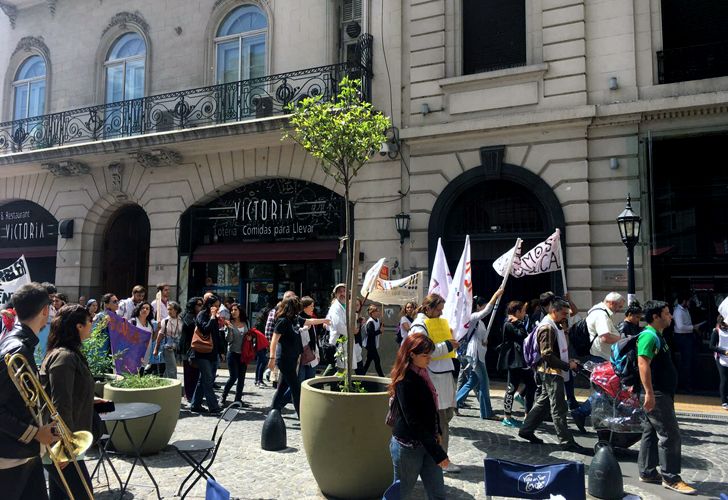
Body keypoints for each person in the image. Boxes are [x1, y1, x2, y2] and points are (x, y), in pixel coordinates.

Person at [0, 282, 59, 500]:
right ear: (45, 310)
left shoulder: (19, 343)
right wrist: (35, 433)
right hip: (11, 455)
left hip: (25, 452)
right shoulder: (16, 349)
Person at [637, 300, 697, 495]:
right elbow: (643, 364)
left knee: (650, 432)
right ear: (655, 317)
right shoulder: (649, 336)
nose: (670, 316)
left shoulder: (657, 335)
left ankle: (647, 471)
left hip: (659, 393)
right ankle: (670, 477)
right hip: (657, 393)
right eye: (667, 313)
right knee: (670, 435)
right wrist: (649, 393)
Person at [518, 297, 589, 454]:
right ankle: (566, 442)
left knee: (544, 402)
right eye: (564, 313)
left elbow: (553, 352)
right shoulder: (547, 328)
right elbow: (547, 354)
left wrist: (568, 361)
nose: (566, 316)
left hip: (551, 370)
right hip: (550, 372)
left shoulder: (553, 325)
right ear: (553, 311)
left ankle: (526, 429)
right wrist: (566, 365)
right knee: (559, 408)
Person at [40, 304, 95, 500]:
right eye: (90, 321)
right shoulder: (64, 356)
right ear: (79, 326)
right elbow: (60, 403)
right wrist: (64, 446)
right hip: (63, 445)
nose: (92, 325)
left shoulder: (66, 354)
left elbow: (70, 392)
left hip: (65, 442)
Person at [388, 333, 448, 500]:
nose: (429, 358)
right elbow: (413, 421)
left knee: (438, 494)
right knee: (400, 495)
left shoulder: (423, 373)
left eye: (430, 354)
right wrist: (438, 452)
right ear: (411, 354)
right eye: (425, 355)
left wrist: (438, 432)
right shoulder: (405, 380)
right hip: (408, 447)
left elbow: (431, 409)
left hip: (428, 443)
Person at [409, 294, 461, 473]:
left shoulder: (433, 323)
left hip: (443, 377)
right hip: (434, 380)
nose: (440, 313)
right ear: (428, 308)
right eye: (438, 310)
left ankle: (437, 457)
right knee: (439, 422)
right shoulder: (419, 326)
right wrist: (448, 345)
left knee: (445, 418)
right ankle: (441, 459)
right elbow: (423, 350)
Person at [571, 292, 625, 432]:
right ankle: (582, 412)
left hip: (600, 356)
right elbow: (605, 337)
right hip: (600, 357)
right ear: (611, 303)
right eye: (619, 306)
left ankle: (594, 416)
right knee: (605, 391)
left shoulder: (597, 312)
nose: (619, 309)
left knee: (605, 390)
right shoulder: (601, 315)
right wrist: (623, 339)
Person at [268, 297, 329, 416]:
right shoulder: (283, 321)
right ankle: (302, 417)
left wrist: (325, 320)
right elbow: (274, 340)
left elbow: (309, 321)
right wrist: (272, 358)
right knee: (296, 389)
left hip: (293, 358)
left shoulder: (294, 319)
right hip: (284, 359)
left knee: (281, 388)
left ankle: (274, 412)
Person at [455, 289, 504, 421]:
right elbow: (487, 310)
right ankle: (487, 413)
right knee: (484, 383)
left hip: (478, 354)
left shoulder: (479, 322)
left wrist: (485, 341)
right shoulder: (472, 317)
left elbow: (480, 337)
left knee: (473, 381)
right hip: (474, 356)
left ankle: (454, 402)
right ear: (478, 306)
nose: (484, 307)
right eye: (483, 304)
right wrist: (496, 295)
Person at [498, 300, 537, 426]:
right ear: (517, 312)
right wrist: (520, 324)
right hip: (514, 361)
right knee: (511, 388)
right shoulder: (509, 324)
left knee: (531, 384)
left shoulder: (514, 322)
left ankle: (527, 415)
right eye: (523, 311)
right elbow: (523, 335)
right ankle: (507, 417)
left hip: (520, 360)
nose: (525, 314)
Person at [191, 295, 223, 414]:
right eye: (216, 306)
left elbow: (216, 336)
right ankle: (213, 407)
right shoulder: (202, 315)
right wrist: (213, 317)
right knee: (208, 380)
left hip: (212, 352)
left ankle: (195, 405)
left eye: (219, 306)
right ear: (210, 305)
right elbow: (205, 329)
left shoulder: (214, 317)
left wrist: (221, 351)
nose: (218, 308)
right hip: (201, 353)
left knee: (203, 380)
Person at [323, 284, 362, 376]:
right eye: (339, 292)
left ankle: (328, 385)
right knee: (339, 368)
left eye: (344, 291)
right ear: (335, 294)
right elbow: (339, 326)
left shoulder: (346, 306)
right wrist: (351, 331)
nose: (342, 293)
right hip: (340, 341)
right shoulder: (335, 307)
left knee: (343, 368)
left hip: (346, 341)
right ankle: (324, 384)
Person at [673, 292, 701, 392]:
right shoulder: (678, 312)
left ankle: (691, 383)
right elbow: (680, 327)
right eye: (688, 301)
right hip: (682, 337)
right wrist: (693, 327)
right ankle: (686, 385)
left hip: (688, 336)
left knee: (691, 360)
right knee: (686, 361)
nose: (689, 303)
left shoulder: (685, 310)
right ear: (684, 301)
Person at [222, 303, 248, 404]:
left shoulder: (246, 323)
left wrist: (250, 338)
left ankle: (238, 399)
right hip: (233, 353)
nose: (233, 312)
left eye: (235, 310)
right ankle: (223, 397)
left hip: (243, 354)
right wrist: (229, 329)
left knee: (241, 378)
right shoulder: (229, 323)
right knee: (233, 377)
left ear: (240, 311)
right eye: (232, 310)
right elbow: (229, 339)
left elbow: (249, 335)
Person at [180, 297, 203, 403]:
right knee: (189, 373)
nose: (201, 306)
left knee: (196, 373)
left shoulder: (199, 316)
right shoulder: (188, 316)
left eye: (202, 304)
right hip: (188, 348)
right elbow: (191, 327)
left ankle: (193, 394)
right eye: (198, 304)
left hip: (197, 348)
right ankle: (189, 395)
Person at [153, 301, 182, 379]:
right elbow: (160, 335)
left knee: (169, 367)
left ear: (176, 310)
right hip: (168, 346)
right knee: (172, 367)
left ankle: (165, 384)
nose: (169, 311)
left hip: (177, 345)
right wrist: (156, 348)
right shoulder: (165, 321)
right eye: (168, 309)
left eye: (171, 309)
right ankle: (174, 386)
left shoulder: (180, 320)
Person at [130, 302, 161, 376]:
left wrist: (158, 329)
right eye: (143, 308)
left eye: (147, 308)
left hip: (145, 357)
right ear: (138, 309)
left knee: (140, 376)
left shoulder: (150, 324)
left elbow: (152, 339)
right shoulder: (133, 322)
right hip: (133, 357)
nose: (145, 310)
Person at [709, 315, 728, 410]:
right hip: (721, 358)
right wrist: (724, 351)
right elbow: (711, 346)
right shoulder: (716, 332)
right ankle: (724, 401)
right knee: (724, 379)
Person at [362, 304, 384, 376]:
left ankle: (361, 375)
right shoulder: (370, 322)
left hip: (373, 344)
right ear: (372, 313)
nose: (378, 312)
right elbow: (370, 334)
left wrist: (381, 325)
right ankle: (381, 376)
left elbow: (378, 327)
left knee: (368, 361)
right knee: (377, 360)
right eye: (376, 311)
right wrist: (380, 331)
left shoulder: (377, 320)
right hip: (370, 344)